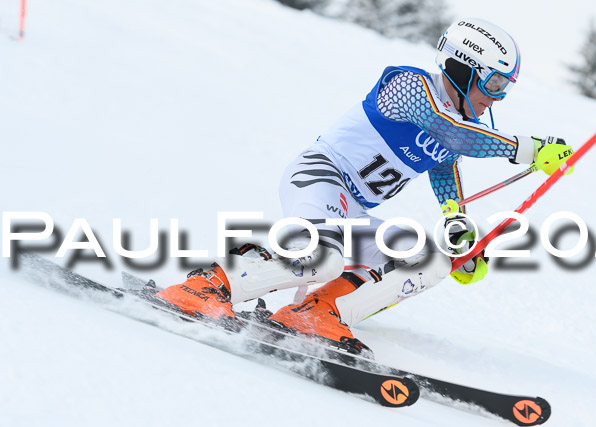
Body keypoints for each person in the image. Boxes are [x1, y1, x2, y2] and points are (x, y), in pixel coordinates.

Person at [154, 18, 573, 354]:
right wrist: (531, 150)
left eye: (506, 89)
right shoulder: (408, 86)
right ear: (464, 67)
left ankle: (317, 313)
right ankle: (204, 286)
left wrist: (456, 222)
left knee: (430, 260)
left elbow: (444, 162)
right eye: (495, 84)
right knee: (324, 258)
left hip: (354, 210)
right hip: (321, 176)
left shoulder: (462, 124)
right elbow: (450, 134)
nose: (496, 98)